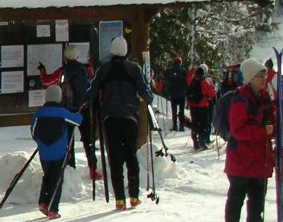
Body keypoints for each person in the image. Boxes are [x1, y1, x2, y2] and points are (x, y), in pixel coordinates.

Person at [88, 36, 153, 210]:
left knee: (115, 159)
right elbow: (145, 93)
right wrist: (148, 96)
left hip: (110, 119)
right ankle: (134, 196)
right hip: (130, 118)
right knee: (131, 156)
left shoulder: (104, 69)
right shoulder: (134, 69)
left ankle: (119, 199)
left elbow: (92, 91)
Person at [222, 58, 275, 222]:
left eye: (264, 75)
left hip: (259, 158)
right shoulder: (240, 100)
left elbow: (269, 122)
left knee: (257, 200)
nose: (264, 79)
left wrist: (277, 127)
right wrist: (263, 132)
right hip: (241, 159)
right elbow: (238, 131)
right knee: (236, 200)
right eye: (260, 75)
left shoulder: (263, 97)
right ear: (250, 78)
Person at [37, 44, 99, 180]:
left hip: (67, 110)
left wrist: (42, 70)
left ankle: (70, 169)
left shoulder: (62, 71)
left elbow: (46, 82)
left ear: (65, 57)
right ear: (77, 56)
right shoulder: (85, 70)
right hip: (84, 109)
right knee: (88, 140)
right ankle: (93, 169)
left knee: (67, 141)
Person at [30, 83, 83, 219]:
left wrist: (40, 141)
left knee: (47, 176)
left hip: (44, 152)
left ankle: (43, 202)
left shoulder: (39, 113)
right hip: (59, 151)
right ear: (59, 97)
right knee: (57, 179)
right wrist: (79, 112)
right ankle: (53, 209)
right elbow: (77, 121)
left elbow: (33, 131)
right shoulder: (62, 113)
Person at [186, 63, 216, 149]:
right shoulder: (204, 82)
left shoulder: (191, 81)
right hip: (203, 106)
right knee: (204, 124)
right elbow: (211, 94)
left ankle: (195, 141)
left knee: (195, 123)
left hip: (193, 107)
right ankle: (202, 141)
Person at [164, 56, 189, 132]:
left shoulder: (170, 71)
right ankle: (181, 126)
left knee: (174, 111)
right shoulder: (184, 71)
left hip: (173, 93)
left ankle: (174, 125)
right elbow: (187, 81)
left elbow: (166, 78)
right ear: (180, 63)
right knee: (181, 111)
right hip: (182, 93)